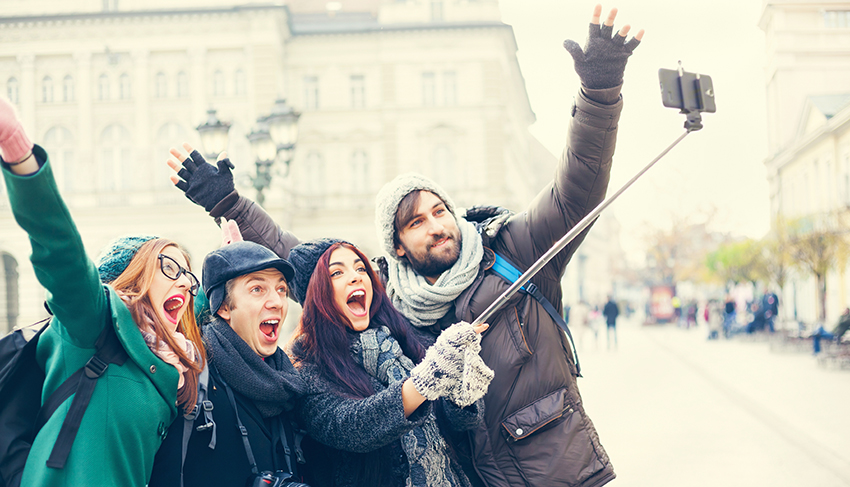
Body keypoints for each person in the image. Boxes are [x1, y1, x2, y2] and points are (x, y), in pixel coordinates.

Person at [167, 5, 641, 486]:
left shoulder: (515, 248)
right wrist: (227, 202)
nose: (437, 226)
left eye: (441, 211)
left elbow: (576, 191)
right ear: (396, 246)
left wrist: (600, 92)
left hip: (553, 473)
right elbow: (304, 260)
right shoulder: (385, 294)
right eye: (417, 222)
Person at [0, 97, 205, 486]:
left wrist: (232, 229)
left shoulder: (172, 360)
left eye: (189, 275)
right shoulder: (94, 326)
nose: (184, 281)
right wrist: (22, 159)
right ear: (134, 278)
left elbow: (222, 301)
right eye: (170, 266)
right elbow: (61, 254)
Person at [286, 238, 493, 487]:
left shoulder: (409, 338)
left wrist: (463, 391)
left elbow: (459, 426)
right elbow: (352, 427)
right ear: (313, 295)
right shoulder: (306, 367)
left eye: (361, 268)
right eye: (337, 272)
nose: (356, 277)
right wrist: (428, 379)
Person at [148, 233, 308, 487]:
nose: (277, 302)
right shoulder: (187, 375)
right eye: (257, 289)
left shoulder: (291, 383)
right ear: (223, 307)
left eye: (281, 289)